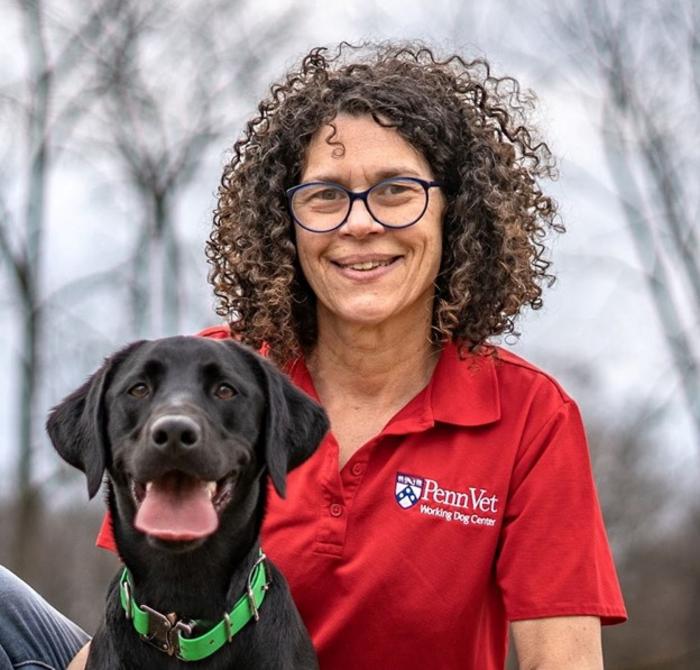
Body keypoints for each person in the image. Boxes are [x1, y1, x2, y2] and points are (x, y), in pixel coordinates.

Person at [1, 42, 626, 670]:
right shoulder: (218, 376)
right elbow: (143, 626)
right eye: (325, 196)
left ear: (453, 212)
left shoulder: (528, 415)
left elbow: (562, 662)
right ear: (287, 223)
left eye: (396, 190)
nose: (359, 224)